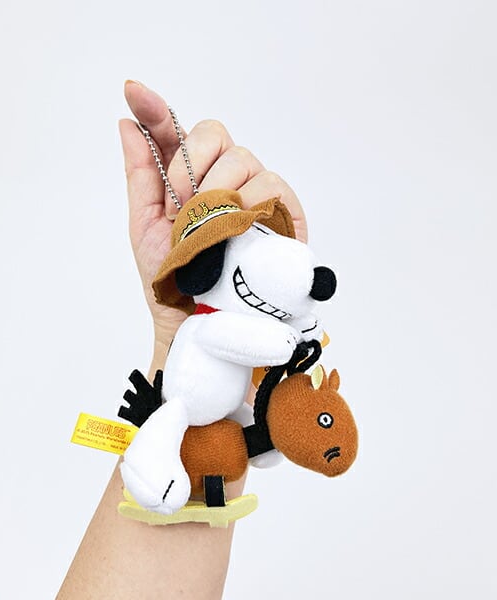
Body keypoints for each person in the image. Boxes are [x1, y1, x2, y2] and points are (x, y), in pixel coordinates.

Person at [57, 80, 309, 599]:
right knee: (165, 428)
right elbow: (229, 338)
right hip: (184, 404)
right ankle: (153, 475)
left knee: (249, 434)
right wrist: (279, 342)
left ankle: (243, 451)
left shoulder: (230, 319)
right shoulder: (209, 327)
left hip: (224, 400)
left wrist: (273, 302)